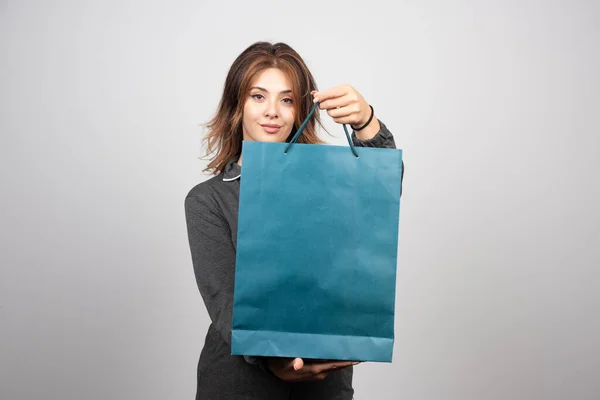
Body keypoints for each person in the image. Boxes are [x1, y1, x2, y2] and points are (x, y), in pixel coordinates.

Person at [184, 41, 404, 399]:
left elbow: (382, 195)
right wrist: (275, 362)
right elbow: (226, 304)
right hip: (239, 386)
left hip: (326, 385)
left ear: (302, 110)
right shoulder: (208, 200)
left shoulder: (331, 187)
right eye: (258, 96)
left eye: (286, 100)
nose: (272, 111)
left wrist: (366, 123)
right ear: (236, 106)